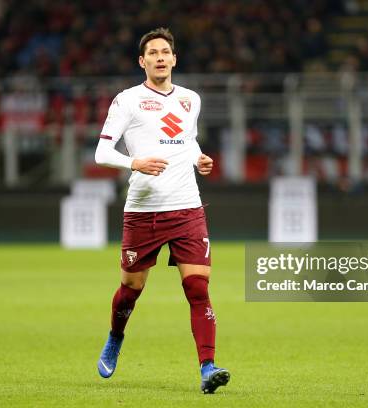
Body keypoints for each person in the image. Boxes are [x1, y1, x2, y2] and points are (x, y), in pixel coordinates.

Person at [94, 28, 230, 394]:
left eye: (165, 51)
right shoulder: (127, 101)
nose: (159, 57)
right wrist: (134, 162)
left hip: (187, 207)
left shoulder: (190, 100)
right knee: (130, 289)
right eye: (152, 52)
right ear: (142, 61)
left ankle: (207, 367)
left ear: (174, 59)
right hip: (143, 212)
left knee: (197, 288)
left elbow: (187, 141)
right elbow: (102, 153)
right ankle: (115, 337)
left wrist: (199, 158)